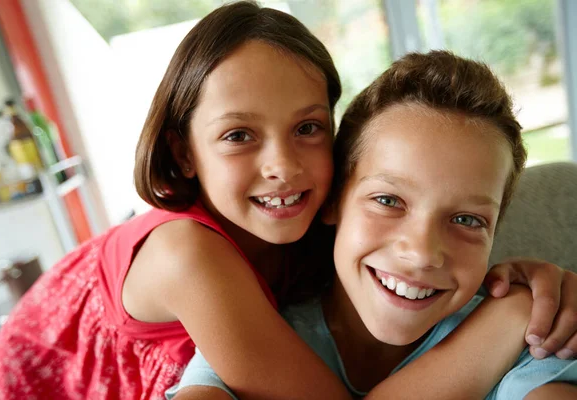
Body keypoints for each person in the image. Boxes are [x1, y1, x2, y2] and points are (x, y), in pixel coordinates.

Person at [0, 3, 577, 399]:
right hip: (55, 370)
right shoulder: (187, 254)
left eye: (308, 128)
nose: (284, 166)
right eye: (239, 135)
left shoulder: (313, 231)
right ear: (184, 152)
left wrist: (526, 281)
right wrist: (505, 321)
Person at [171, 51, 577, 399]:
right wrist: (508, 318)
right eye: (388, 201)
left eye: (467, 219)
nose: (421, 253)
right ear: (333, 201)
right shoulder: (250, 342)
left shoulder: (535, 344)